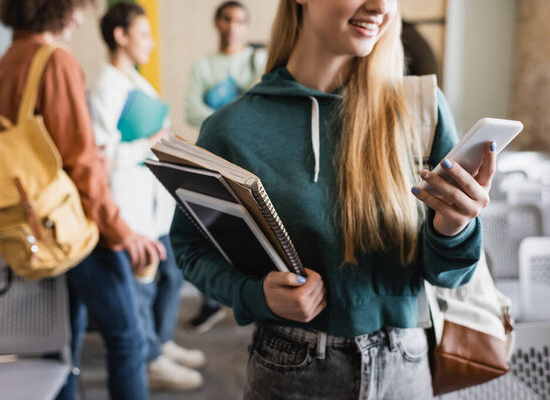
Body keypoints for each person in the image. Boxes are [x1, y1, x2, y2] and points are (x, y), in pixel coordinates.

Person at [170, 0, 497, 399]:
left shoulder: (421, 111)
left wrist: (454, 228)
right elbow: (190, 248)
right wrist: (254, 295)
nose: (379, 6)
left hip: (406, 367)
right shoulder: (231, 129)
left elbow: (450, 276)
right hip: (292, 367)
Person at [0, 1, 165, 399]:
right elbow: (81, 163)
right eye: (77, 7)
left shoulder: (1, 68)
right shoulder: (55, 61)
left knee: (63, 345)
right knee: (127, 339)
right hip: (75, 227)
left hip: (27, 227)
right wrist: (122, 232)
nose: (80, 18)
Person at [89, 2, 205, 391]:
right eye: (143, 34)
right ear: (120, 36)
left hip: (154, 203)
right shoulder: (105, 88)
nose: (151, 44)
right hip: (129, 206)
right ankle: (151, 357)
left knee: (168, 275)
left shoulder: (138, 84)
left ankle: (160, 344)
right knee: (140, 287)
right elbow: (101, 157)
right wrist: (145, 145)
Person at [184, 0, 266, 333]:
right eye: (227, 19)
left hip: (250, 161)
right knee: (211, 230)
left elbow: (261, 105)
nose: (233, 26)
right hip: (212, 160)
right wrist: (235, 116)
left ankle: (258, 297)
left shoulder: (257, 61)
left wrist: (218, 116)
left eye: (239, 21)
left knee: (256, 230)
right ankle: (211, 302)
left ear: (246, 26)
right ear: (217, 23)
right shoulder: (203, 67)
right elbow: (191, 112)